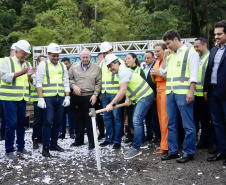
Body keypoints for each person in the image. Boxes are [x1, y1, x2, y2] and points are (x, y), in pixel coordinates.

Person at [105, 54, 154, 159]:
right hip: (140, 97)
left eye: (111, 66)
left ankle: (136, 148)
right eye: (108, 67)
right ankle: (143, 142)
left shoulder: (123, 71)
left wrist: (112, 104)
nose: (110, 69)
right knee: (137, 120)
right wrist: (128, 99)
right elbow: (126, 88)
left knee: (136, 120)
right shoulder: (121, 71)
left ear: (116, 63)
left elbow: (122, 90)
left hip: (145, 95)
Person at [161, 30, 199, 163]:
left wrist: (191, 91)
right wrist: (165, 56)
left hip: (183, 94)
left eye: (168, 43)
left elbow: (194, 73)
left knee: (188, 125)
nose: (167, 47)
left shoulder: (190, 52)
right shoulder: (171, 56)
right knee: (171, 124)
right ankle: (173, 151)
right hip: (170, 94)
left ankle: (189, 152)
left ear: (176, 39)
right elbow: (162, 71)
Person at [1, 40, 36, 159]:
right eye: (23, 54)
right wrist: (20, 73)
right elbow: (4, 77)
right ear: (16, 51)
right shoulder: (7, 61)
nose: (25, 56)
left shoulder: (27, 63)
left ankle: (21, 147)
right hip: (9, 98)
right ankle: (9, 150)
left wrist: (30, 76)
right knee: (11, 124)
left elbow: (32, 83)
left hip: (22, 98)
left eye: (27, 54)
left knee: (22, 124)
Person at [36, 43, 70, 157]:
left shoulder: (62, 66)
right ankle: (45, 147)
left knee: (58, 122)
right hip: (48, 98)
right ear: (49, 54)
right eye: (53, 55)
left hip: (59, 97)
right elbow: (38, 82)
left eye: (57, 55)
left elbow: (66, 82)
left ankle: (54, 144)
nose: (56, 58)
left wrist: (67, 96)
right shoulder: (43, 65)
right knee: (48, 121)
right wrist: (40, 98)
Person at [69, 48, 101, 150]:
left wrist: (95, 94)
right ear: (80, 57)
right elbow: (69, 79)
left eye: (87, 57)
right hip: (76, 97)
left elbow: (99, 82)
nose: (85, 59)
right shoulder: (74, 66)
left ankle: (92, 142)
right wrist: (74, 86)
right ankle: (79, 140)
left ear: (90, 57)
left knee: (91, 120)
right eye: (83, 57)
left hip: (91, 98)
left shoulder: (96, 67)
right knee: (78, 120)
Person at [204, 20, 226, 165]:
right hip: (213, 93)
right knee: (217, 123)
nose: (216, 37)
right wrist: (205, 89)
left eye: (219, 34)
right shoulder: (213, 50)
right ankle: (222, 152)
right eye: (215, 34)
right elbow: (209, 71)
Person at [193, 37, 217, 154]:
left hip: (206, 94)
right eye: (194, 46)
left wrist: (206, 90)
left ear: (205, 45)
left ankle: (212, 143)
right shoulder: (197, 57)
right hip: (197, 95)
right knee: (202, 120)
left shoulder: (210, 57)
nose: (195, 48)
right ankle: (203, 140)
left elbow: (208, 75)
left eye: (197, 46)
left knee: (211, 120)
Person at [99, 41, 123, 149]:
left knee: (117, 118)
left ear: (111, 51)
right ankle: (109, 138)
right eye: (103, 53)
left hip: (116, 94)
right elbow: (99, 79)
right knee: (107, 118)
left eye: (106, 52)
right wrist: (100, 93)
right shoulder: (102, 63)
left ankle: (117, 140)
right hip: (105, 94)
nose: (105, 55)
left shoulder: (119, 62)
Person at [151, 41, 168, 154]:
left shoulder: (168, 60)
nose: (156, 53)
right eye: (155, 51)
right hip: (158, 90)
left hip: (166, 89)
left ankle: (165, 146)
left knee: (165, 119)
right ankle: (163, 144)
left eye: (158, 51)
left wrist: (158, 73)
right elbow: (154, 78)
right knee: (160, 118)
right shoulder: (156, 62)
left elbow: (170, 76)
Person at [123, 53, 146, 143]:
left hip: (139, 99)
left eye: (129, 58)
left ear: (134, 59)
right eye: (125, 59)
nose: (127, 60)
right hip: (129, 100)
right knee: (130, 120)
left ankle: (141, 139)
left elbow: (144, 85)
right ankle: (133, 137)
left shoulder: (140, 70)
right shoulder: (125, 70)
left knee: (137, 120)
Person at [0, 42, 16, 141]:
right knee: (3, 115)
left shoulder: (20, 63)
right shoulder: (3, 60)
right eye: (15, 51)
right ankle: (2, 134)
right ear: (11, 51)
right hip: (2, 92)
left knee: (6, 116)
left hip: (11, 94)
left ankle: (3, 135)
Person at [144, 51, 161, 143]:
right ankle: (149, 134)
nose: (146, 60)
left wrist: (155, 95)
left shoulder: (155, 67)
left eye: (148, 58)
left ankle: (158, 135)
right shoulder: (145, 68)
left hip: (154, 97)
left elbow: (156, 83)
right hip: (146, 97)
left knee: (155, 116)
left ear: (153, 58)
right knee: (148, 116)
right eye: (145, 58)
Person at [31, 55, 47, 149]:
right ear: (37, 62)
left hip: (47, 98)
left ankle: (42, 138)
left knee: (46, 120)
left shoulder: (48, 71)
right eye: (42, 61)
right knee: (38, 120)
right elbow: (32, 82)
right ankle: (35, 139)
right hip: (37, 99)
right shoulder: (35, 72)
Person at [58, 57, 75, 139]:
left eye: (66, 64)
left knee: (71, 115)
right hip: (61, 97)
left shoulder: (73, 72)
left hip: (71, 97)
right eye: (63, 64)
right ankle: (62, 132)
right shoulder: (59, 72)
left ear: (69, 63)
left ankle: (72, 132)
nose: (65, 65)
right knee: (61, 116)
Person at [96, 52, 105, 140]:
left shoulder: (108, 67)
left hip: (107, 94)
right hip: (97, 95)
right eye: (100, 58)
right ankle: (101, 133)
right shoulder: (96, 68)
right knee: (99, 116)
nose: (102, 60)